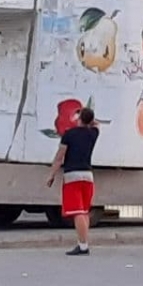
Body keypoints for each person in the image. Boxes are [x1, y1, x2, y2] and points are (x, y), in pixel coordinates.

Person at [46, 105, 98, 256]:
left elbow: (59, 157)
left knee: (78, 212)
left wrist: (51, 174)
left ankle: (83, 246)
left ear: (79, 118)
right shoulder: (93, 133)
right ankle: (83, 242)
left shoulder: (69, 134)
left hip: (72, 175)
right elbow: (96, 124)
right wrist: (88, 118)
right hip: (88, 175)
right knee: (84, 211)